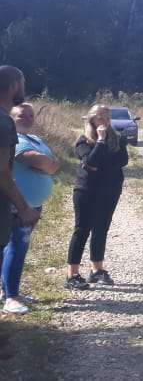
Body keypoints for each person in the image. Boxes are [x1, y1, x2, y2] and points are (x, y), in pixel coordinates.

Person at [2, 103, 59, 314]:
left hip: (34, 204)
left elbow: (54, 162)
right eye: (20, 115)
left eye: (30, 115)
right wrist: (47, 163)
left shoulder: (36, 139)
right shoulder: (12, 139)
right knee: (17, 246)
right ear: (11, 117)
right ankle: (11, 298)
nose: (26, 118)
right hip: (19, 205)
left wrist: (48, 163)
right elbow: (38, 160)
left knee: (14, 247)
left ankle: (7, 290)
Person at [0, 65, 40, 359]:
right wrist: (24, 207)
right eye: (22, 82)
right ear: (14, 84)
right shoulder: (3, 122)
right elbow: (2, 172)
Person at [66, 104, 128, 290]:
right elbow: (91, 162)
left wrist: (102, 157)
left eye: (107, 117)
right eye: (101, 117)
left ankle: (96, 270)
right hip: (86, 190)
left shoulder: (116, 139)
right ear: (92, 120)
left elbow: (122, 160)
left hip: (110, 190)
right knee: (82, 229)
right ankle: (72, 275)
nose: (105, 121)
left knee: (101, 229)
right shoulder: (83, 141)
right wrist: (100, 142)